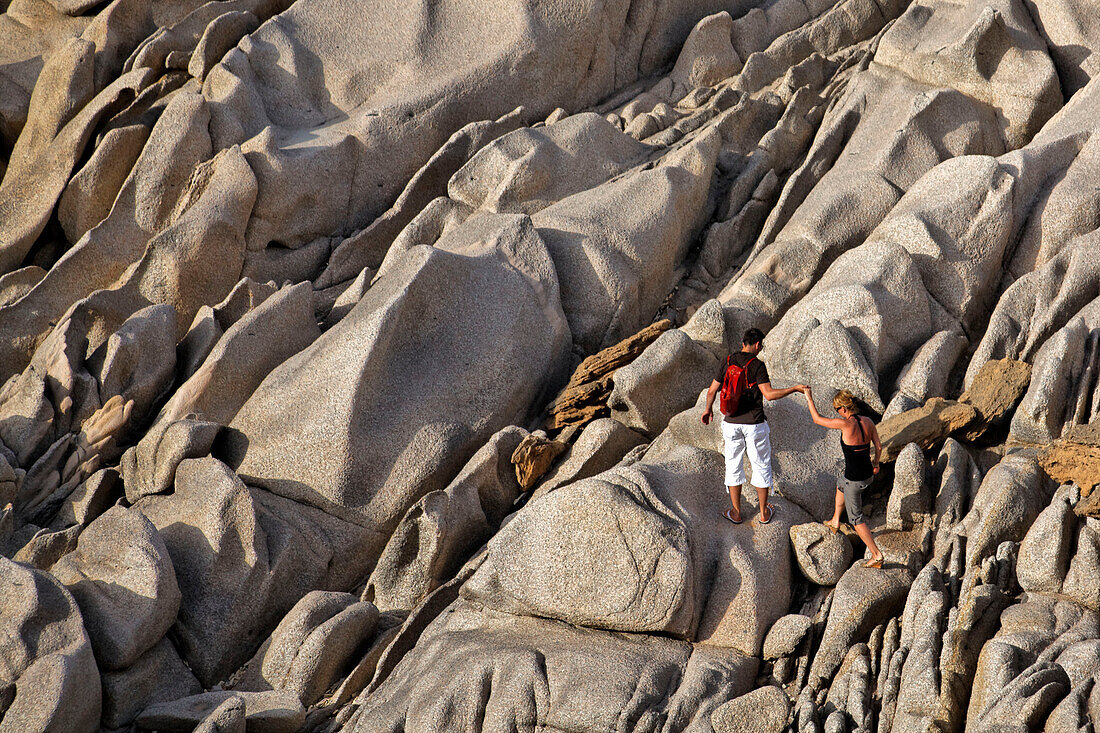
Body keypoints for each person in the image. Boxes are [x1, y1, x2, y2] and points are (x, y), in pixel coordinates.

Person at [702, 328, 805, 525]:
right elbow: (769, 394)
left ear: (744, 342)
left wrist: (708, 410)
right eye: (761, 346)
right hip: (754, 424)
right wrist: (794, 388)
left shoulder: (728, 360)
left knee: (732, 465)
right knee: (761, 465)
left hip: (731, 423)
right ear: (757, 345)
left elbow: (712, 390)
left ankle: (736, 512)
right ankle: (764, 512)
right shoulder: (757, 365)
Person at [803, 387, 885, 568]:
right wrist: (876, 464)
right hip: (867, 475)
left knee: (856, 519)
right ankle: (835, 520)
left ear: (843, 409)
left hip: (854, 481)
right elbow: (878, 447)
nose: (837, 413)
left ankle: (876, 554)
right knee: (840, 483)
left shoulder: (845, 424)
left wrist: (809, 397)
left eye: (836, 410)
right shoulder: (868, 421)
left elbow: (817, 419)